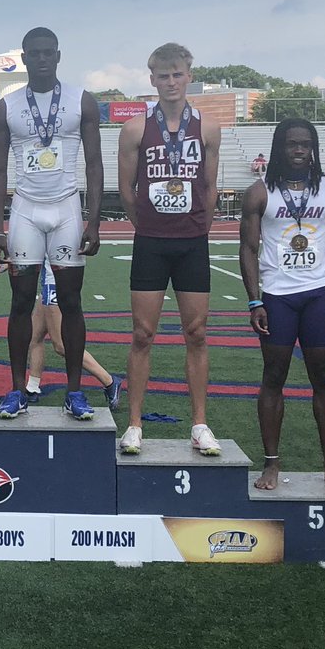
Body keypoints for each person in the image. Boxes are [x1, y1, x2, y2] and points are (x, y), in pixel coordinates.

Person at [0, 27, 103, 420]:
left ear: (58, 55)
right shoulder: (6, 107)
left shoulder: (81, 100)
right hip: (25, 210)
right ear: (24, 57)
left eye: (47, 52)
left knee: (71, 302)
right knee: (20, 303)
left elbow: (93, 162)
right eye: (33, 53)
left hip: (67, 209)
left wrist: (94, 221)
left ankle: (75, 392)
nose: (41, 59)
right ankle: (17, 390)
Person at [238, 118, 325, 491]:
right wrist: (254, 299)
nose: (299, 150)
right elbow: (248, 249)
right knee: (274, 377)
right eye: (292, 144)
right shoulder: (259, 193)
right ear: (279, 147)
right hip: (277, 298)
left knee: (322, 378)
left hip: (317, 296)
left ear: (314, 147)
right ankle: (271, 464)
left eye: (306, 144)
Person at [116, 43, 222, 456]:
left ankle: (199, 424)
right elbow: (126, 190)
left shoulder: (209, 128)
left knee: (196, 334)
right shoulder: (136, 130)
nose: (171, 82)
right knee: (143, 334)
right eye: (163, 76)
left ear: (189, 75)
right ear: (152, 80)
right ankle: (135, 425)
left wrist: (201, 226)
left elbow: (210, 187)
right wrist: (146, 225)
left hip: (192, 241)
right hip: (151, 242)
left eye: (177, 74)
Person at [11, 262, 122, 408]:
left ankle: (109, 381)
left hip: (53, 282)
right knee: (34, 336)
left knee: (62, 345)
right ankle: (32, 386)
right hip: (49, 282)